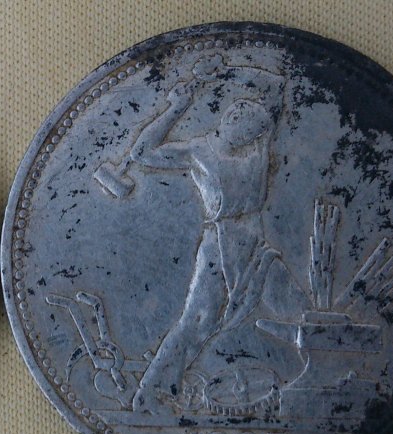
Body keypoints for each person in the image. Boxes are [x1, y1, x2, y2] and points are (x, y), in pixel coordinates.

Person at [129, 55, 309, 413]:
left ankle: (328, 374)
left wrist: (225, 71)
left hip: (254, 243)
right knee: (199, 321)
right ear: (228, 119)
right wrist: (176, 108)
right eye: (241, 118)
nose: (252, 129)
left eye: (256, 126)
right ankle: (151, 392)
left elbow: (275, 86)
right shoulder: (197, 151)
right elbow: (142, 152)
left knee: (296, 308)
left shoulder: (258, 145)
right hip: (220, 245)